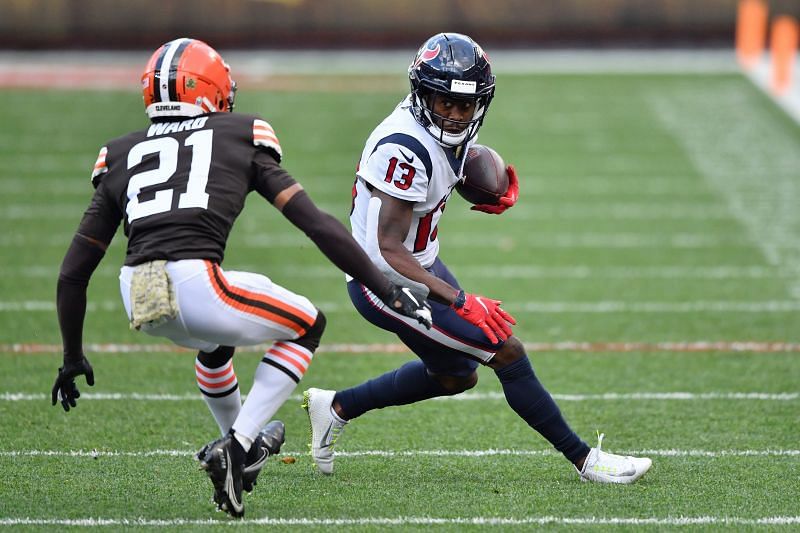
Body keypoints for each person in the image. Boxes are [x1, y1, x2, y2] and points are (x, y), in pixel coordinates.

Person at [49, 37, 433, 518]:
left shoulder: (120, 153)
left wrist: (70, 356)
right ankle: (238, 443)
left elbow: (72, 273)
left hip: (138, 292)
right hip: (194, 281)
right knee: (308, 324)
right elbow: (315, 223)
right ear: (211, 91)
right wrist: (386, 288)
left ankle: (244, 453)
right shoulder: (238, 133)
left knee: (215, 343)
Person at [302, 32, 652, 484]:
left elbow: (448, 160)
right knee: (506, 351)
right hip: (385, 282)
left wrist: (488, 182)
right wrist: (459, 299)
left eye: (464, 105)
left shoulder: (434, 126)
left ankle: (335, 407)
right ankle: (587, 461)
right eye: (443, 102)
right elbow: (388, 248)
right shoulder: (404, 147)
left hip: (418, 266)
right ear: (422, 95)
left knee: (456, 375)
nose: (453, 114)